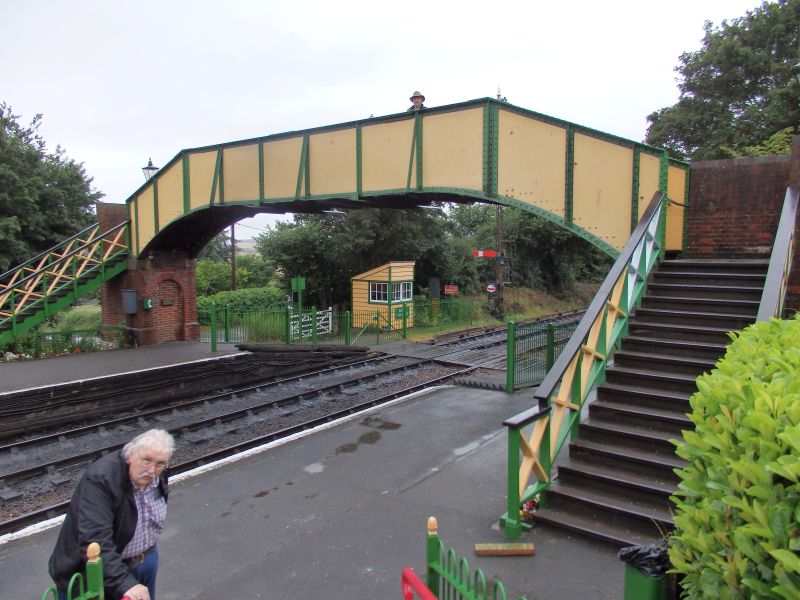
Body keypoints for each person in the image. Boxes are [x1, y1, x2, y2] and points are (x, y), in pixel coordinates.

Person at [49, 429, 175, 600]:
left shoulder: (159, 470)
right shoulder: (101, 479)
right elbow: (95, 540)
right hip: (102, 574)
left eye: (160, 464)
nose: (152, 471)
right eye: (146, 460)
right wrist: (126, 583)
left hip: (146, 559)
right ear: (129, 456)